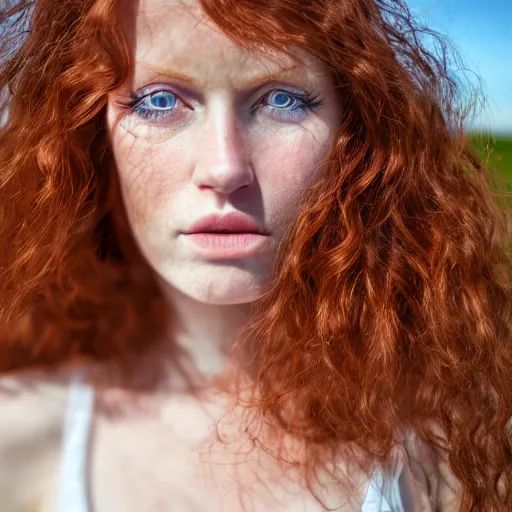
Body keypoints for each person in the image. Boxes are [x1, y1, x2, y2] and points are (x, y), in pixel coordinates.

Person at [0, 0, 511, 510]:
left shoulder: (453, 444)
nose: (225, 169)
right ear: (90, 136)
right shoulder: (19, 439)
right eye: (158, 101)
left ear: (355, 141)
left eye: (282, 100)